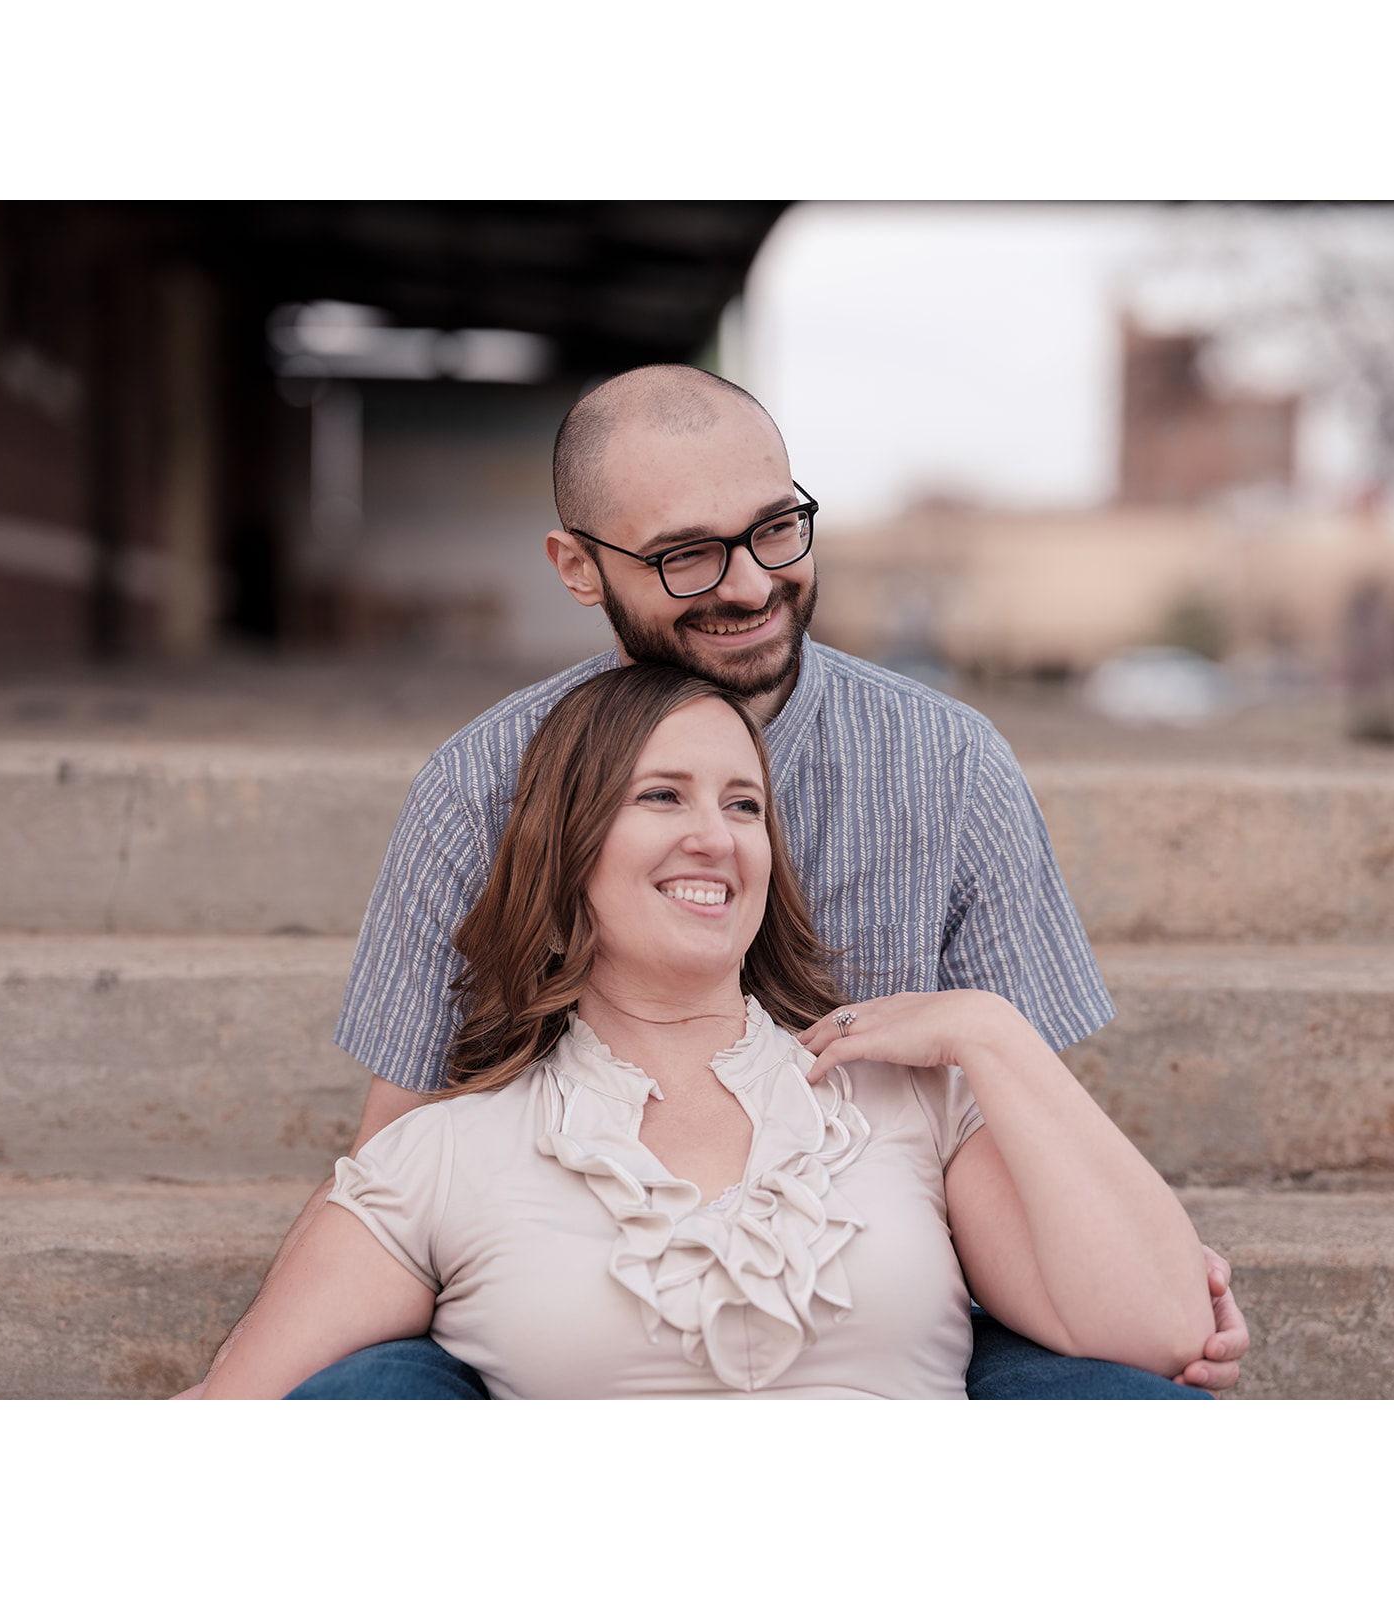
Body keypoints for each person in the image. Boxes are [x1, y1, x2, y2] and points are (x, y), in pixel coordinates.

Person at [180, 363, 1249, 1399]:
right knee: (361, 1391)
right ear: (578, 567)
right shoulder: (480, 785)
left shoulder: (949, 764)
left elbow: (1032, 1135)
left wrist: (1136, 1262)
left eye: (775, 528)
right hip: (565, 1271)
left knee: (1123, 1395)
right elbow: (404, 1153)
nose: (749, 583)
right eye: (687, 555)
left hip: (900, 1263)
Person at [201, 665, 1217, 1398]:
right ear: (568, 850)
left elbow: (1160, 1329)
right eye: (661, 797)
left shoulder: (906, 1104)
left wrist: (991, 1032)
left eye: (744, 805)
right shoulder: (443, 1154)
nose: (715, 837)